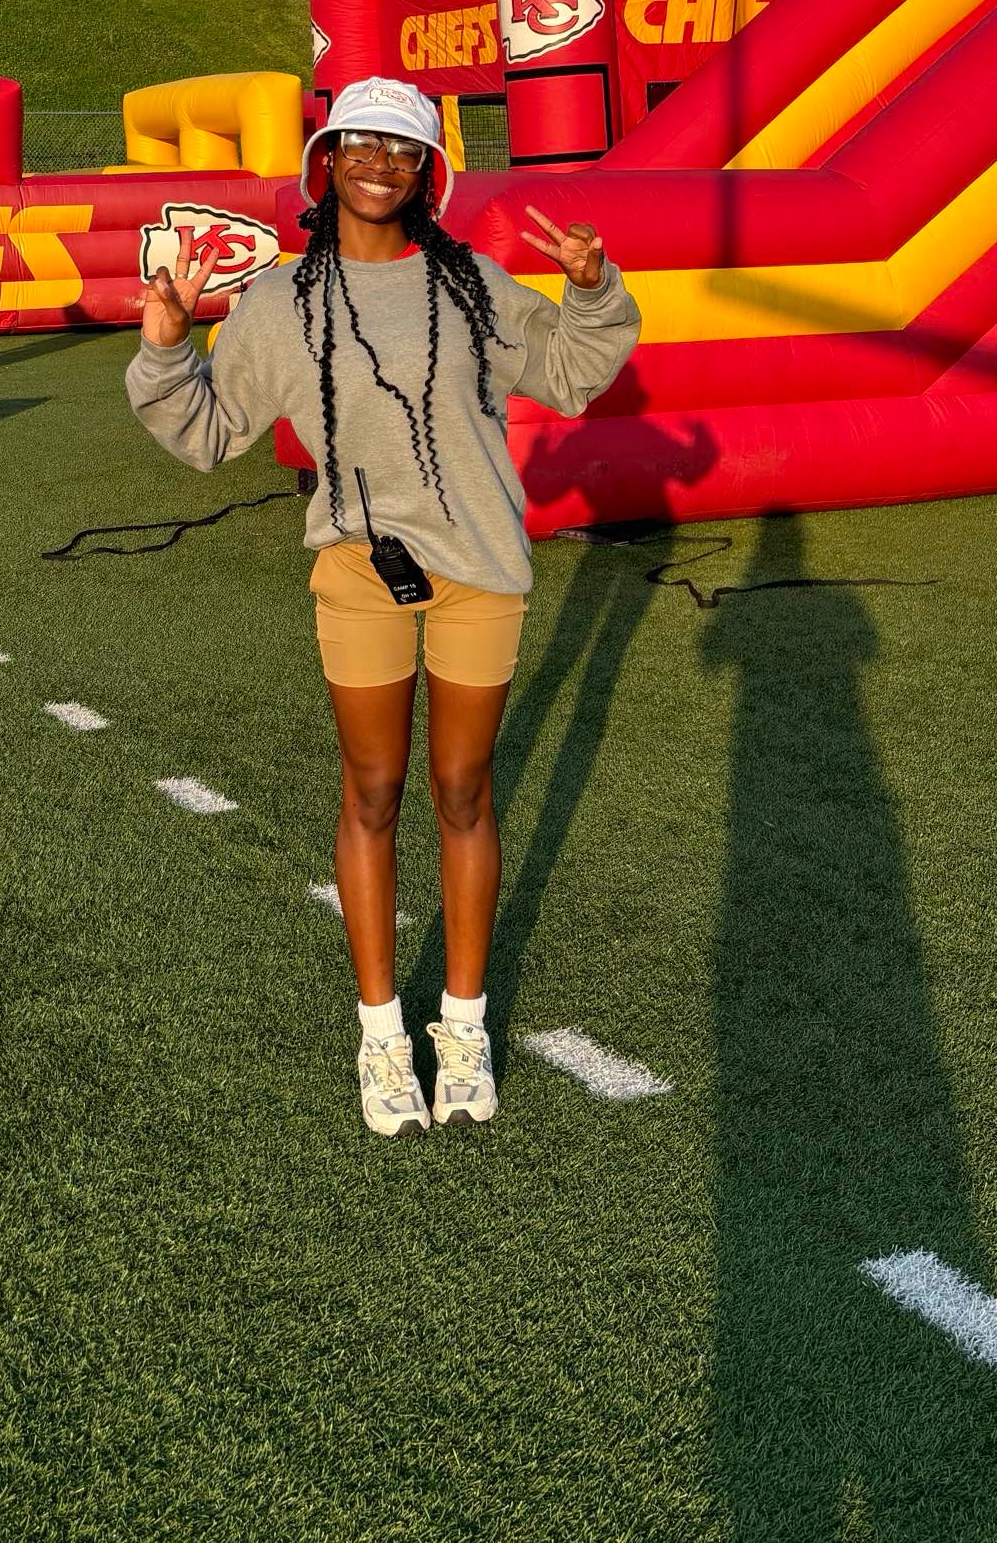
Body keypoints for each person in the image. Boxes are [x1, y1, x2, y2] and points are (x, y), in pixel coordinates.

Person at [127, 74, 640, 1137]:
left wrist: (590, 287)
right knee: (373, 788)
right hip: (359, 568)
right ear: (327, 162)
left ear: (429, 174)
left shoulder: (472, 286)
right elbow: (211, 434)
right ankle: (379, 1035)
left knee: (462, 789)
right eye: (358, 143)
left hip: (478, 567)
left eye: (402, 149)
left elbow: (575, 372)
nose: (378, 163)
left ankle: (462, 1025)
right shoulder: (277, 300)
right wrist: (171, 350)